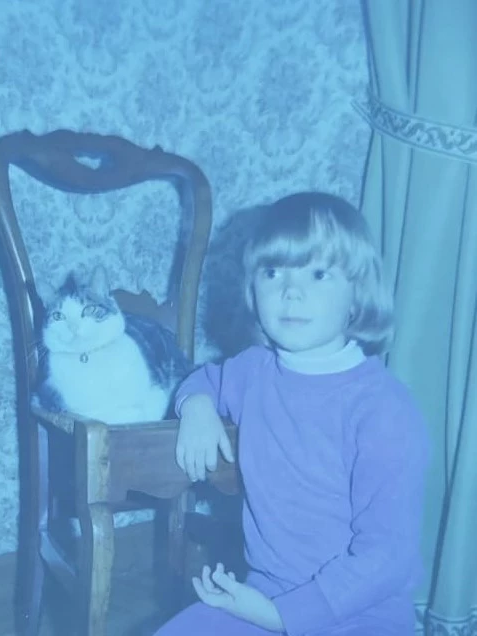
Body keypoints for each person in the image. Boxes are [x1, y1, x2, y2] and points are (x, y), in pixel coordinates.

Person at [154, 192, 430, 635]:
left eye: (318, 274)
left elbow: (387, 556)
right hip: (265, 593)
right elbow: (204, 379)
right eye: (273, 272)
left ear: (357, 295)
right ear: (252, 290)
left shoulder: (384, 409)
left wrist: (282, 617)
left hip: (362, 611)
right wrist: (197, 406)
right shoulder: (252, 371)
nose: (291, 292)